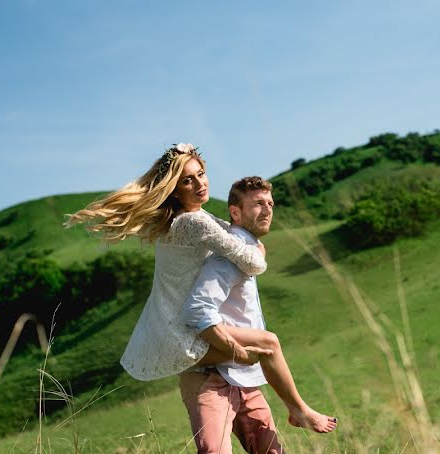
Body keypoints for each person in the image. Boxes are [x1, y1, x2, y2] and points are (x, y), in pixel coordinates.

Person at [64, 143, 337, 433]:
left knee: (260, 351)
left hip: (178, 328)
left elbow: (230, 233)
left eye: (201, 174)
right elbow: (250, 260)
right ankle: (300, 410)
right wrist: (257, 247)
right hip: (184, 332)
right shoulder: (192, 222)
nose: (199, 183)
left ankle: (286, 410)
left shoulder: (191, 220)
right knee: (268, 344)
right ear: (175, 190)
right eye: (187, 180)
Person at [179, 176, 321, 454]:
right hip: (210, 376)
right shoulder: (229, 254)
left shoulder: (246, 250)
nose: (268, 209)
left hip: (245, 380)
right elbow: (198, 310)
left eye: (270, 203)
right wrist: (234, 349)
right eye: (258, 203)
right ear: (235, 212)